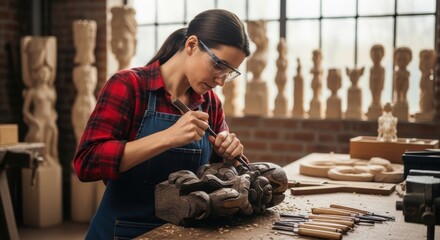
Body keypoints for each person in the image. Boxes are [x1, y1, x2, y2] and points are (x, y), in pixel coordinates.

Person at [72, 9, 250, 239]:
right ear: (192, 45)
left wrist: (230, 156)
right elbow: (86, 162)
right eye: (218, 65)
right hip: (123, 231)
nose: (221, 81)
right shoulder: (129, 86)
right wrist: (167, 137)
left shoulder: (210, 103)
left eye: (229, 72)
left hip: (183, 233)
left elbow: (216, 180)